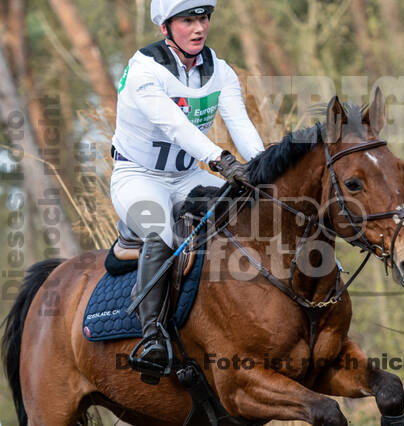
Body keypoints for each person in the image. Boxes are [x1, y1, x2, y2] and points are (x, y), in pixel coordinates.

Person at [110, 0, 264, 383]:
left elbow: (240, 123)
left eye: (204, 18)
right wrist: (221, 160)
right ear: (166, 26)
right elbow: (176, 126)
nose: (199, 28)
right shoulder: (144, 69)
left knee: (254, 211)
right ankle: (152, 338)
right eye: (188, 20)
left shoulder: (221, 71)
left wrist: (265, 166)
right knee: (162, 232)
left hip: (185, 176)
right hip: (138, 176)